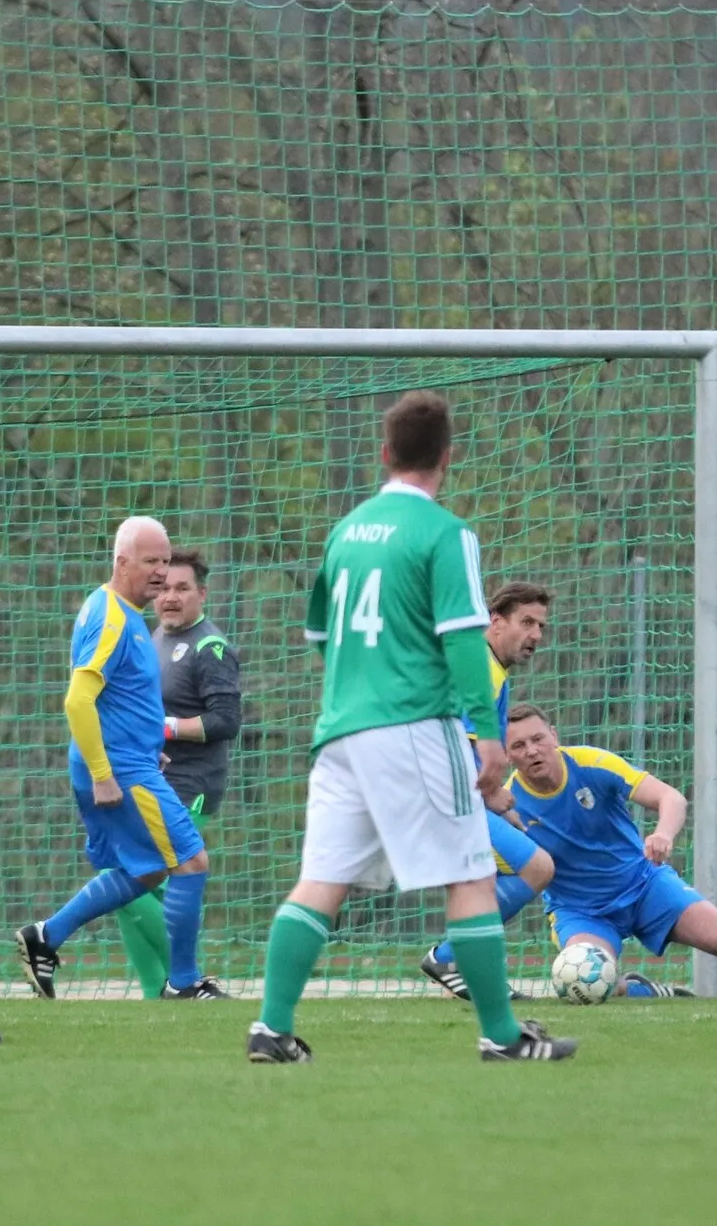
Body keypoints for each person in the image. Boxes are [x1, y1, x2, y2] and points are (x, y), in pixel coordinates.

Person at [248, 391, 577, 1063]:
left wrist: (363, 686)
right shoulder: (445, 533)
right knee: (471, 879)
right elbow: (462, 640)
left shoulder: (346, 531)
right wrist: (488, 736)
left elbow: (320, 635)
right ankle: (502, 1036)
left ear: (384, 453)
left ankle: (271, 1030)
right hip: (414, 726)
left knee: (321, 882)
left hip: (340, 730)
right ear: (447, 458)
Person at [498, 702, 717, 1000]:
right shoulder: (510, 804)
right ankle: (645, 991)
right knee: (585, 982)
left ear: (554, 736)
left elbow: (671, 797)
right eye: (518, 746)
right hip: (581, 911)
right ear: (506, 754)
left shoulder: (592, 764)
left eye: (538, 739)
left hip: (644, 885)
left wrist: (663, 834)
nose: (531, 751)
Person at [16, 518, 221, 1000]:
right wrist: (105, 773)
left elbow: (116, 699)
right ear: (121, 562)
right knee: (191, 861)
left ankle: (46, 936)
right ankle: (184, 983)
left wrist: (147, 744)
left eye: (165, 560)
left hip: (131, 761)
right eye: (151, 561)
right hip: (119, 771)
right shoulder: (111, 618)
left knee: (148, 870)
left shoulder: (122, 612)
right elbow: (77, 701)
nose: (160, 571)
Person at [109, 548, 243, 999]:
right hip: (150, 778)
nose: (170, 596)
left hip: (192, 784)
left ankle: (184, 981)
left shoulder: (210, 647)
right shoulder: (151, 638)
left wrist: (164, 727)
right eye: (164, 587)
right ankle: (159, 993)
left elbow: (225, 721)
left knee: (133, 880)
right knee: (130, 881)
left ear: (201, 594)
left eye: (182, 588)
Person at [420, 581, 557, 1000]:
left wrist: (495, 800)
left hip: (449, 795)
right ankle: (448, 957)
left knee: (486, 879)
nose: (536, 634)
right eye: (526, 622)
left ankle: (471, 972)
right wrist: (490, 795)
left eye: (541, 626)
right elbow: (452, 747)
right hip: (437, 796)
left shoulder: (491, 669)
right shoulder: (478, 669)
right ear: (496, 622)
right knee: (537, 868)